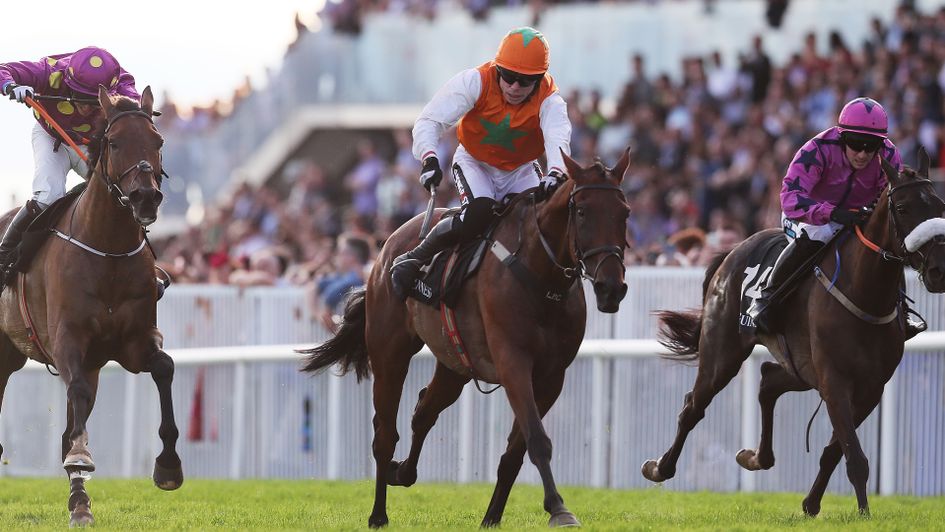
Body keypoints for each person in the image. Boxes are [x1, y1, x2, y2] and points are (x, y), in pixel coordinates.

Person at [390, 27, 572, 299]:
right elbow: (430, 120)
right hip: (476, 163)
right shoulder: (475, 81)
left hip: (521, 169)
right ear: (497, 68)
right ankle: (415, 258)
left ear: (539, 78)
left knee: (546, 222)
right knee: (480, 212)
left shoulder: (551, 100)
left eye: (525, 81)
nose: (514, 87)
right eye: (508, 76)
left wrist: (556, 172)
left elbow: (558, 139)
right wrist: (428, 157)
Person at [746, 97, 923, 338]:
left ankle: (902, 309)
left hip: (856, 216)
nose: (862, 153)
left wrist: (867, 214)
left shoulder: (889, 155)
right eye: (855, 143)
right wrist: (833, 213)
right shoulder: (816, 150)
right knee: (820, 233)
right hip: (807, 217)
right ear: (842, 137)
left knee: (888, 240)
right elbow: (790, 197)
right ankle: (767, 300)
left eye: (870, 146)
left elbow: (886, 198)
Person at [0, 47, 139, 281]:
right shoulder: (49, 71)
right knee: (48, 196)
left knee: (121, 195)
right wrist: (10, 86)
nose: (86, 108)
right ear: (68, 81)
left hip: (89, 143)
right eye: (79, 97)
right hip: (51, 137)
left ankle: (141, 266)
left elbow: (133, 115)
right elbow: (4, 70)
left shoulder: (123, 85)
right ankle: (3, 257)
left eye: (93, 102)